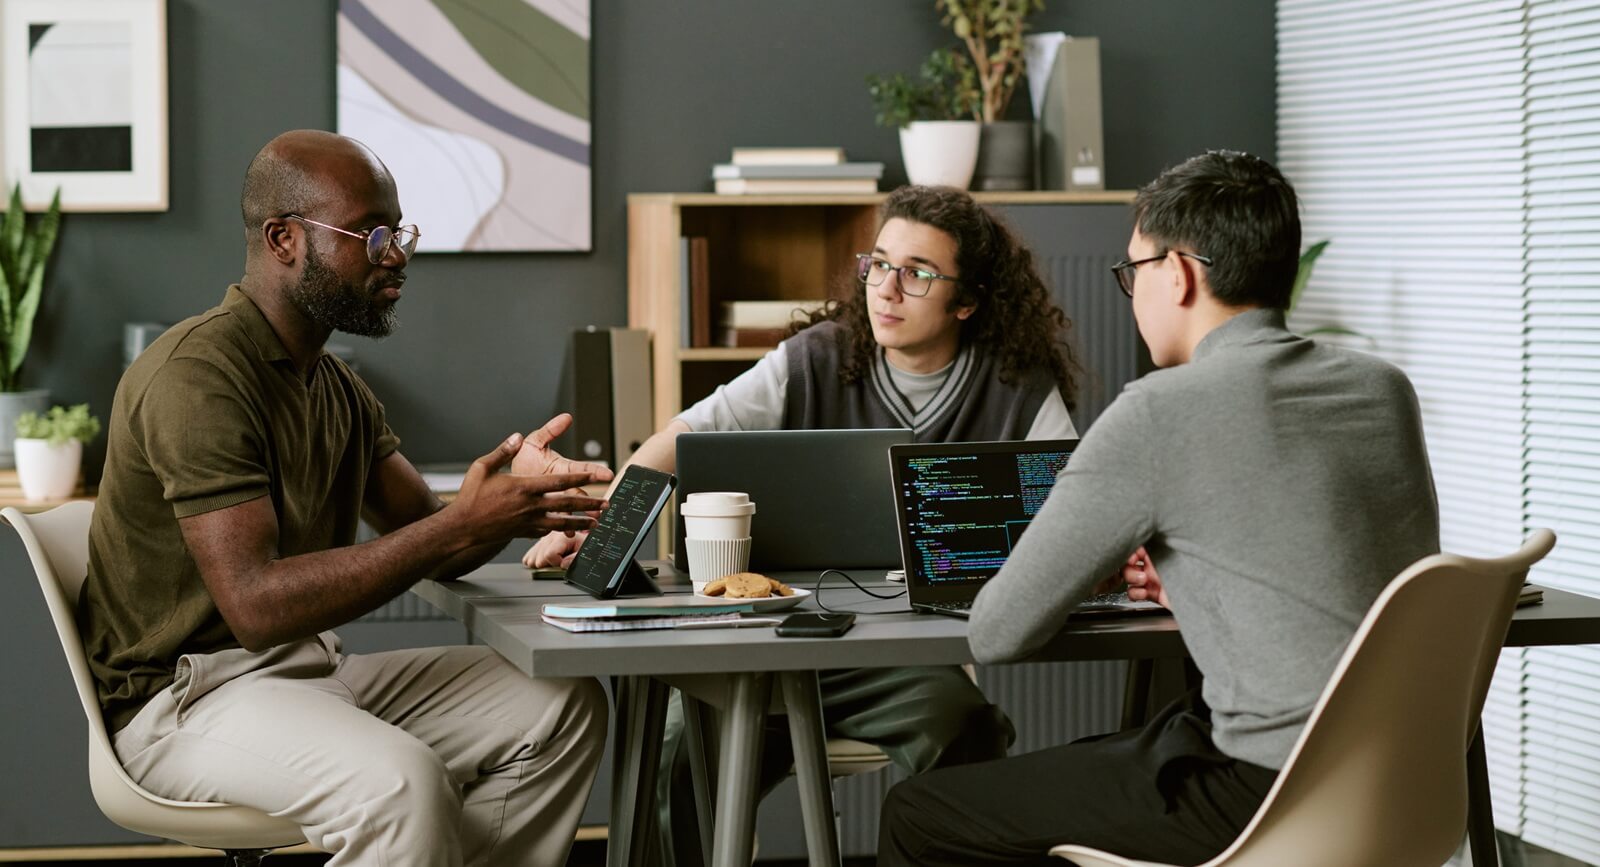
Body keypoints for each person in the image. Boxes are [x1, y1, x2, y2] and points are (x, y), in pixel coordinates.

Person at [876, 151, 1441, 866]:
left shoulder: (1158, 411)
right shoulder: (1382, 388)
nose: (1133, 293)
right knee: (1124, 746)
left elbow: (997, 631)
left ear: (1177, 274)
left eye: (1131, 272)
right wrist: (1195, 576)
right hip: (1410, 784)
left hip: (1266, 794)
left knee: (919, 812)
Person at [77, 129, 614, 867]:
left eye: (401, 232)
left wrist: (517, 504)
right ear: (283, 238)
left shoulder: (335, 387)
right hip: (184, 702)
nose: (396, 254)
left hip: (307, 673)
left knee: (560, 704)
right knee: (401, 786)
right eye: (372, 233)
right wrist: (462, 521)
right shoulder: (197, 375)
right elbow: (256, 605)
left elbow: (431, 533)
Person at [528, 184, 1083, 865]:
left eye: (918, 273)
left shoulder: (1017, 387)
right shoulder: (817, 356)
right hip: (762, 643)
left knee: (963, 726)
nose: (887, 287)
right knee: (679, 752)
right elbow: (681, 436)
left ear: (966, 300)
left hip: (900, 661)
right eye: (878, 263)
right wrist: (605, 527)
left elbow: (1074, 505)